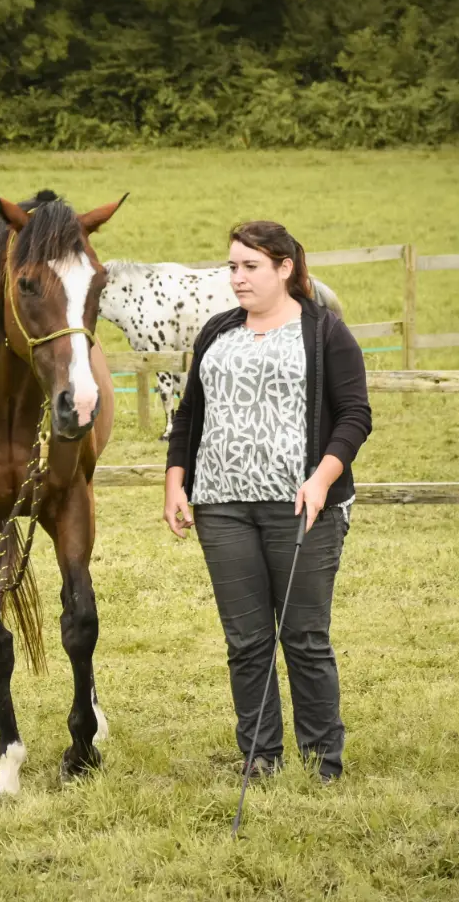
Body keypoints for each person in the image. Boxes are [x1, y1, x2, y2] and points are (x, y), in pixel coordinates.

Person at [163, 221, 372, 783]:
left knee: (304, 636)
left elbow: (355, 416)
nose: (237, 278)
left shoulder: (324, 331)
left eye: (250, 266)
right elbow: (188, 415)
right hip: (221, 506)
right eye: (232, 266)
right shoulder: (216, 333)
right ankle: (260, 755)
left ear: (284, 268)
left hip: (302, 506)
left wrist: (323, 479)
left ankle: (323, 759)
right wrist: (175, 481)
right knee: (247, 640)